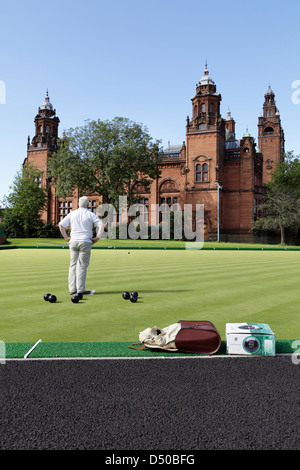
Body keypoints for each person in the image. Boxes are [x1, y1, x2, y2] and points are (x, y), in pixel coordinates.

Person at [58, 196, 104, 295]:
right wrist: (97, 238)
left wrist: (66, 237)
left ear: (78, 203)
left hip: (73, 241)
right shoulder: (91, 214)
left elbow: (61, 225)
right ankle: (80, 290)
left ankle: (72, 289)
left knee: (73, 265)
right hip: (85, 241)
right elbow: (101, 225)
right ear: (88, 204)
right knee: (82, 266)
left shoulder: (72, 214)